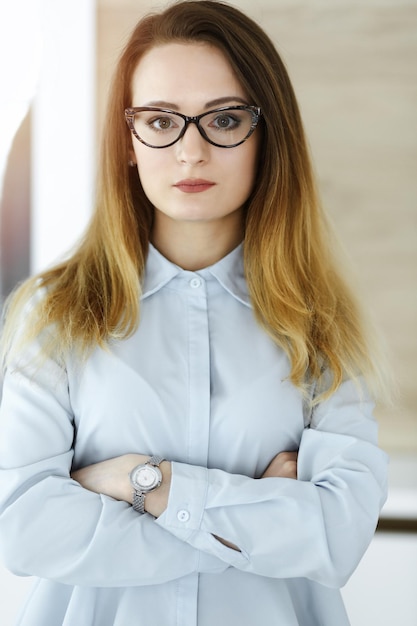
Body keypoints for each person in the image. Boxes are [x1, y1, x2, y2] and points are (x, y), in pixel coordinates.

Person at [0, 1, 389, 625]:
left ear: (268, 137)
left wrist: (139, 482)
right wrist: (260, 518)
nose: (191, 152)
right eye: (160, 121)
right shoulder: (55, 314)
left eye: (225, 119)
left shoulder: (320, 322)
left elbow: (337, 537)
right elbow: (23, 527)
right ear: (128, 142)